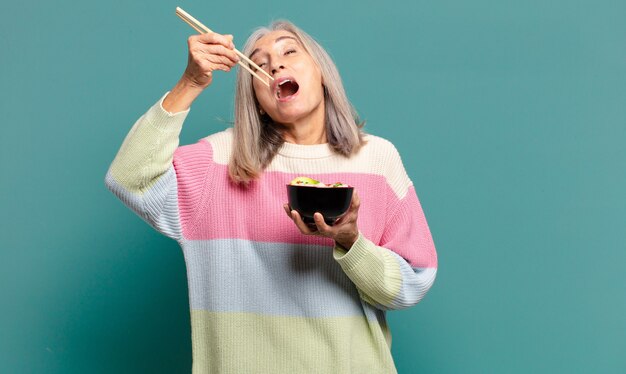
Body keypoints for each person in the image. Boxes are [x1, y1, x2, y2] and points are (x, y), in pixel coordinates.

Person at [105, 20, 438, 374]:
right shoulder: (221, 160)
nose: (275, 65)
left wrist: (351, 242)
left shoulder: (376, 159)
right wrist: (190, 83)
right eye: (259, 64)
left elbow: (411, 283)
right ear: (259, 101)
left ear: (322, 73)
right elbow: (129, 178)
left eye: (289, 51)